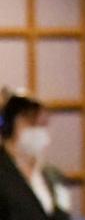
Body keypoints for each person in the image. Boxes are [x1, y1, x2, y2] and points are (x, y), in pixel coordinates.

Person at [0, 88, 71, 220]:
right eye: (31, 123)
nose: (38, 131)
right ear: (9, 126)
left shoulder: (53, 175)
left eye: (42, 124)